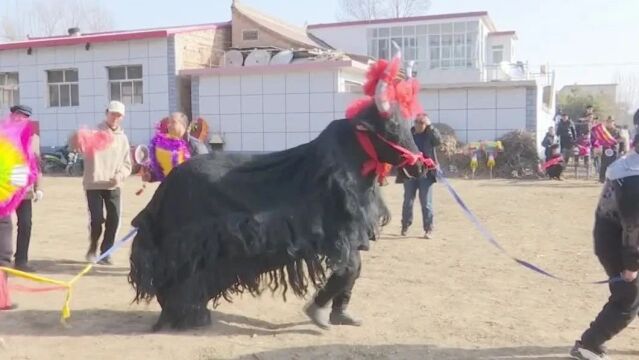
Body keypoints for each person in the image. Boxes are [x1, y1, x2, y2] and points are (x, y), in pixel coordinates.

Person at [570, 134, 639, 360]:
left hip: (618, 238)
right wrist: (631, 265)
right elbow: (633, 226)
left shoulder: (628, 165)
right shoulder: (632, 177)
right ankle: (589, 345)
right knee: (628, 298)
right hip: (619, 245)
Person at [77, 101, 132, 265]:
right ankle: (93, 247)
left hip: (114, 184)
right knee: (97, 219)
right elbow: (81, 147)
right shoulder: (94, 133)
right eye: (112, 113)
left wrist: (120, 176)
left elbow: (127, 163)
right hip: (94, 183)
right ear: (106, 113)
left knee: (114, 219)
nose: (115, 117)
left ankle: (106, 252)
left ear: (122, 117)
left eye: (118, 115)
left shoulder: (123, 138)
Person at [9, 105, 43, 273]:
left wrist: (39, 187)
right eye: (17, 116)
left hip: (24, 191)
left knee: (25, 224)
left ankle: (21, 260)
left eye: (24, 117)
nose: (20, 119)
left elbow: (36, 163)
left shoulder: (33, 139)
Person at [398, 113, 441, 239]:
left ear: (426, 124)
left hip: (426, 174)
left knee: (426, 202)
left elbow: (438, 140)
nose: (417, 124)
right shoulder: (408, 135)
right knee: (408, 201)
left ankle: (428, 228)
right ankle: (405, 225)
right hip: (410, 172)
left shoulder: (430, 135)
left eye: (421, 122)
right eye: (416, 122)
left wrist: (431, 127)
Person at [598, 116, 620, 183]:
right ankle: (602, 178)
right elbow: (599, 139)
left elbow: (620, 139)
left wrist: (621, 148)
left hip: (613, 150)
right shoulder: (603, 130)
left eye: (611, 122)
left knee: (613, 164)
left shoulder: (617, 131)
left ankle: (613, 178)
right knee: (603, 164)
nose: (609, 123)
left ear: (613, 122)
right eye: (608, 122)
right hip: (604, 149)